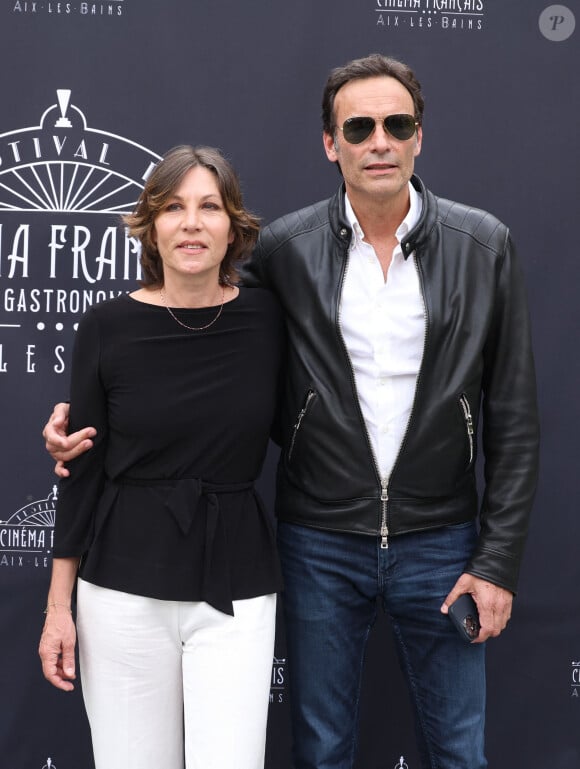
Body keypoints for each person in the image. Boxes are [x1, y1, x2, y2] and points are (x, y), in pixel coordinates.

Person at [44, 54, 540, 769]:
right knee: (320, 749)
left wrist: (495, 562)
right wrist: (83, 430)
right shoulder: (286, 252)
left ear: (419, 136)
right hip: (317, 540)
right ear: (329, 143)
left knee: (460, 749)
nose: (379, 141)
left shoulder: (483, 246)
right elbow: (196, 362)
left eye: (396, 124)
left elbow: (516, 421)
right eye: (359, 126)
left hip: (441, 540)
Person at [38, 145, 284, 769]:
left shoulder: (268, 318)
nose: (192, 222)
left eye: (209, 206)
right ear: (150, 225)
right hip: (121, 587)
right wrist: (57, 610)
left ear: (234, 226)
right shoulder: (105, 325)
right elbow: (80, 470)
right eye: (173, 207)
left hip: (235, 583)